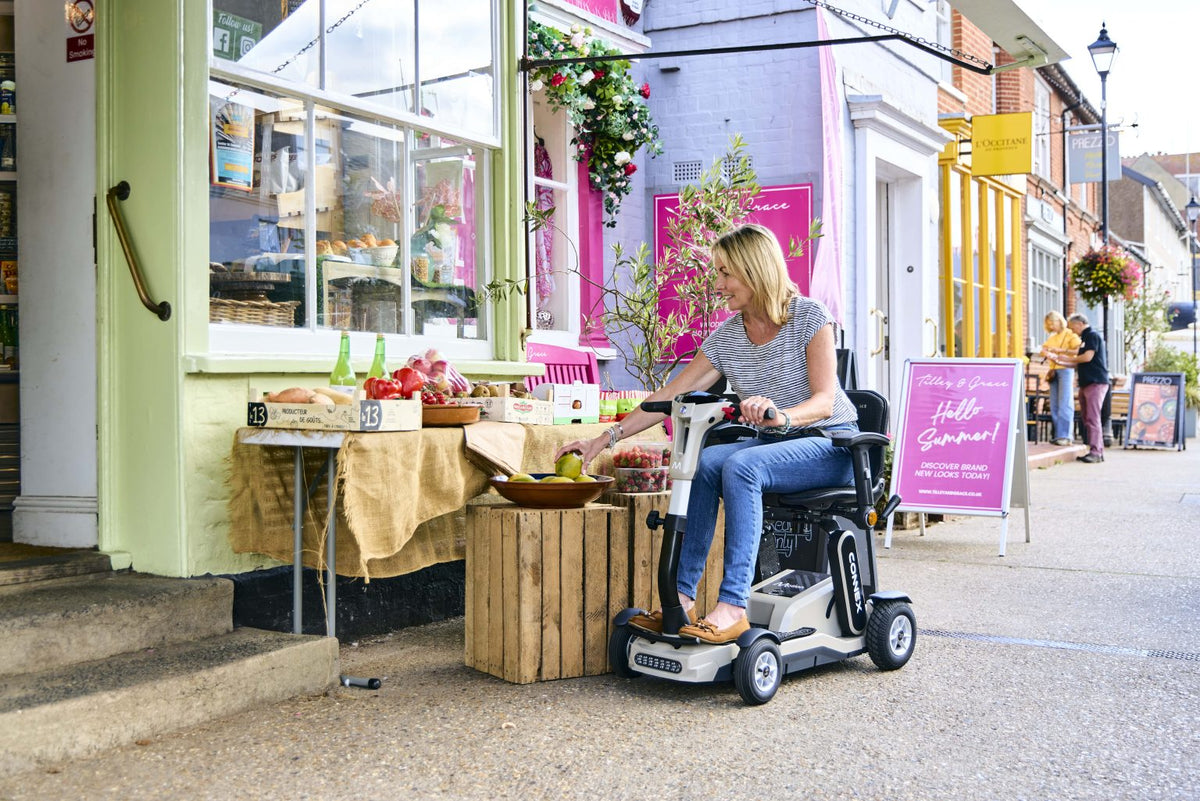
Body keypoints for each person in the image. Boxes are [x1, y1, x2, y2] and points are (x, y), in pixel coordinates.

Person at [554, 223, 860, 644]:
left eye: (725, 273)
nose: (718, 285)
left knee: (741, 466)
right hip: (774, 446)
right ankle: (680, 598)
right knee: (703, 463)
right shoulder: (728, 336)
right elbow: (669, 394)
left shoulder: (809, 317)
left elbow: (825, 400)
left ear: (755, 271)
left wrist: (781, 415)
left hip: (831, 444)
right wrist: (603, 439)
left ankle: (733, 606)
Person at [1046, 312, 1108, 463]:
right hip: (1086, 382)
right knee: (1087, 417)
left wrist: (1068, 358)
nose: (1072, 330)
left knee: (1093, 418)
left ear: (1080, 323)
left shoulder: (1092, 335)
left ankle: (1096, 452)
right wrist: (1062, 361)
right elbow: (1078, 362)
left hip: (1095, 381)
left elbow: (1087, 357)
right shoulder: (1084, 339)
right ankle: (1093, 449)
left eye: (1073, 327)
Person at [1038, 310, 1082, 445]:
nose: (1051, 327)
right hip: (1054, 370)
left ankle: (1066, 435)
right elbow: (1043, 350)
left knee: (1065, 402)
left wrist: (1060, 351)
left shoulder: (1070, 335)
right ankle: (1058, 434)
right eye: (1049, 324)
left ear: (1059, 321)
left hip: (1066, 369)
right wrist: (1046, 352)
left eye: (1053, 323)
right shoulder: (1052, 337)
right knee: (1055, 404)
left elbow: (1079, 350)